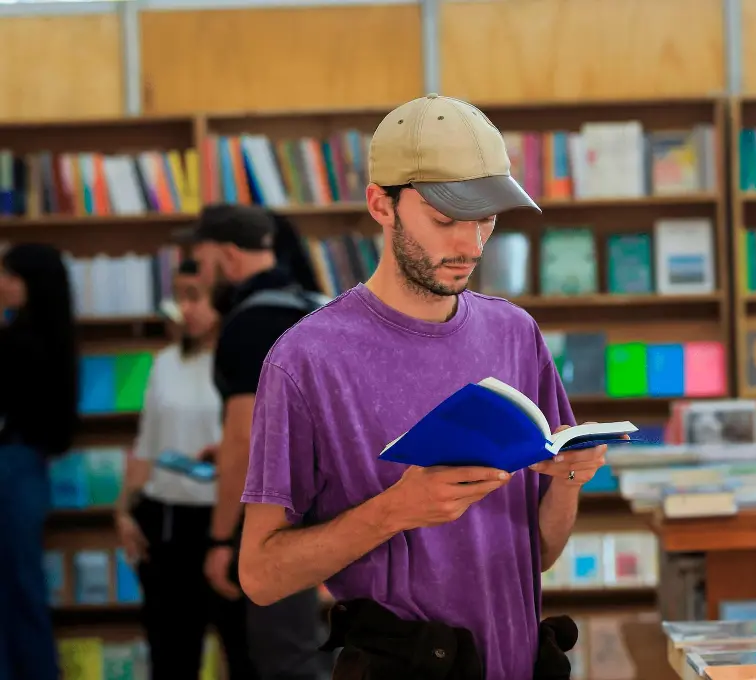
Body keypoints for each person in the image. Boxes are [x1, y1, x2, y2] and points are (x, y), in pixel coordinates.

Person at [237, 94, 611, 680]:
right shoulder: (305, 360)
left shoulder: (516, 333)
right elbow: (260, 577)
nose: (470, 245)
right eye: (445, 219)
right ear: (380, 205)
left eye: (486, 218)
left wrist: (568, 478)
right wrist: (393, 512)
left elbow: (539, 554)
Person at [186, 204, 329, 680]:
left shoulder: (250, 323)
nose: (200, 275)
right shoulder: (317, 303)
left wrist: (221, 540)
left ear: (228, 257)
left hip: (287, 522)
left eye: (202, 263)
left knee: (284, 662)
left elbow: (247, 436)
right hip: (350, 512)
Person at [114, 259, 257, 680]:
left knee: (244, 651)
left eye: (196, 296)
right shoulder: (164, 363)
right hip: (167, 519)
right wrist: (125, 508)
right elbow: (146, 445)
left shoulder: (245, 366)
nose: (186, 308)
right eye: (180, 297)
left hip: (226, 521)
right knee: (171, 654)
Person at [0, 243, 79, 680]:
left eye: (11, 276)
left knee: (17, 586)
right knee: (21, 584)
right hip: (26, 467)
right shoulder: (52, 336)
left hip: (11, 466)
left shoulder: (19, 342)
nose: (3, 284)